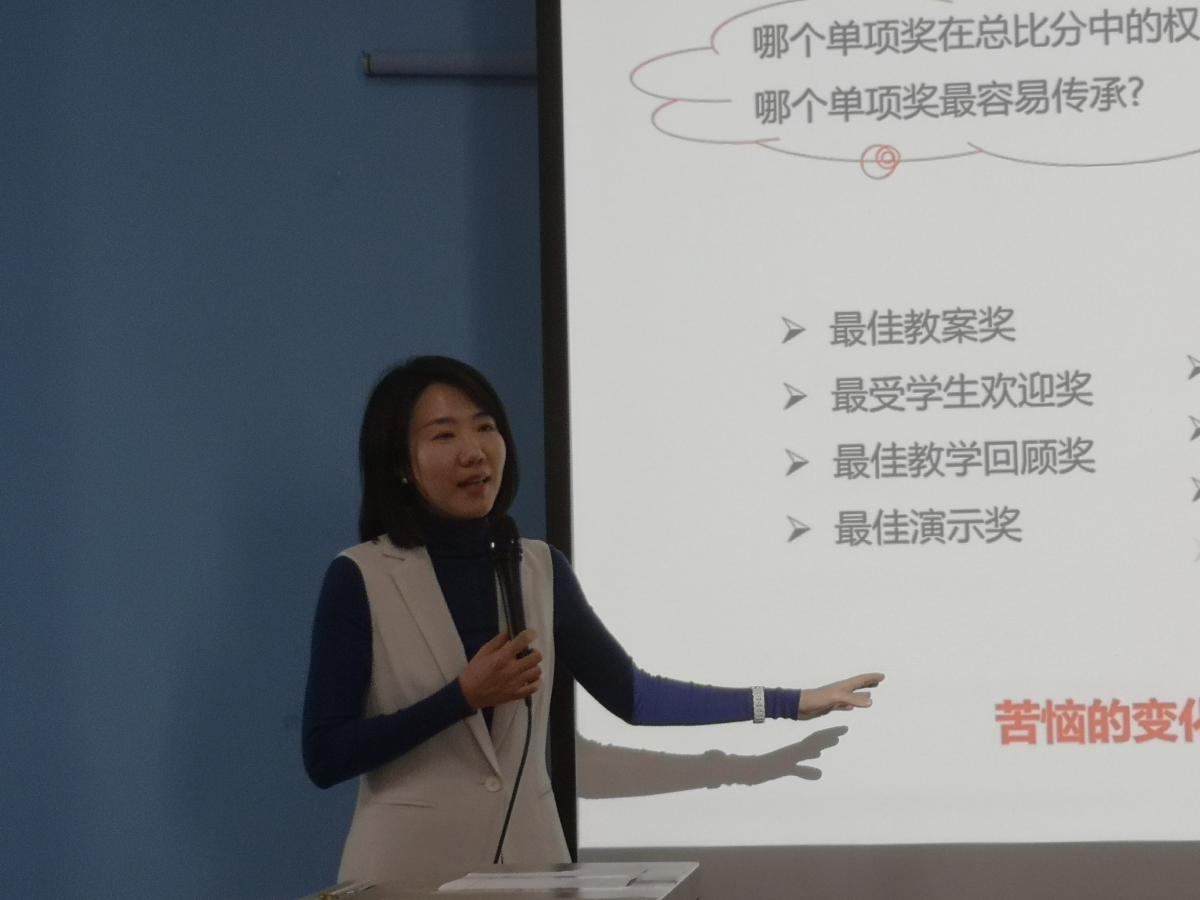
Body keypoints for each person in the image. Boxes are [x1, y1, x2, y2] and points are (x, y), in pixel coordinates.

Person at [302, 355, 883, 888]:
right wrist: (462, 697)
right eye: (444, 434)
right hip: (406, 873)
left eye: (485, 427)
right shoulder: (362, 576)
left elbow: (634, 696)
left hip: (530, 866)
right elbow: (326, 755)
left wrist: (788, 702)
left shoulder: (537, 567)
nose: (474, 451)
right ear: (399, 464)